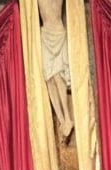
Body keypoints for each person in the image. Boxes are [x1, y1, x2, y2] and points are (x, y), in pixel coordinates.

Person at [38, 0, 73, 141]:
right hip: (45, 34)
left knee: (59, 77)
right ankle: (62, 120)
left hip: (57, 32)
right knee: (49, 79)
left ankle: (68, 117)